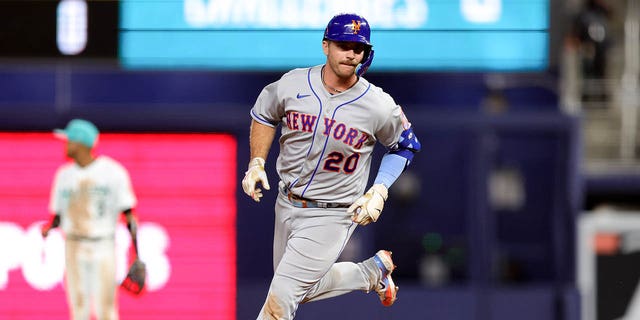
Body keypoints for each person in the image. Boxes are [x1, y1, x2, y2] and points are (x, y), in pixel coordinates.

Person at [242, 13, 421, 319]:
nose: (351, 53)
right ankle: (370, 273)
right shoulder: (294, 83)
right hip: (286, 202)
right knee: (302, 287)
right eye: (343, 45)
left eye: (358, 48)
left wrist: (379, 189)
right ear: (326, 45)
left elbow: (405, 144)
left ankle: (370, 274)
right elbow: (264, 113)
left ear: (366, 53)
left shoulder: (377, 104)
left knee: (281, 298)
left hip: (333, 212)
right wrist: (257, 161)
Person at [41, 119, 140, 320]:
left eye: (69, 141)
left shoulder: (113, 172)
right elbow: (59, 214)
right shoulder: (64, 175)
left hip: (102, 244)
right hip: (74, 244)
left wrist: (137, 255)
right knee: (79, 309)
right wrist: (50, 227)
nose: (66, 145)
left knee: (106, 309)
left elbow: (129, 215)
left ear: (81, 144)